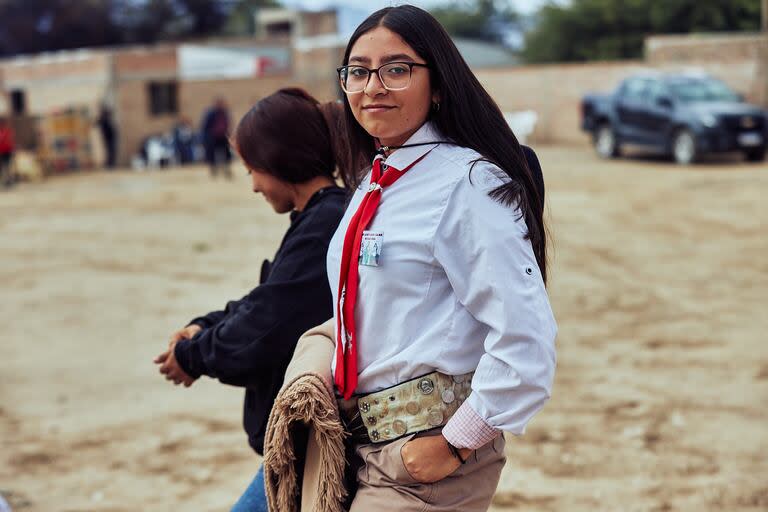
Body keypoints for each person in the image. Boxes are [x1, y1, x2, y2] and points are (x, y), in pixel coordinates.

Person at [326, 6, 557, 511]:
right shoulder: (378, 178)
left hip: (427, 454)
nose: (372, 86)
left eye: (397, 68)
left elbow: (526, 337)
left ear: (439, 85)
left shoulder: (467, 183)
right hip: (364, 446)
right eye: (358, 71)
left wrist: (454, 443)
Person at [153, 88, 347, 512]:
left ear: (279, 161)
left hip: (315, 445)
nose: (255, 186)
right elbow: (268, 299)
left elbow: (265, 329)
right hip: (302, 445)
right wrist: (204, 326)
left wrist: (193, 354)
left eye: (252, 171)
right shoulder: (318, 218)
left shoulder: (327, 222)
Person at [201, 97, 233, 179]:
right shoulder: (210, 113)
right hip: (213, 137)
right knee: (212, 154)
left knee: (226, 154)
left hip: (223, 136)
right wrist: (206, 137)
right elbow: (205, 126)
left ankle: (227, 171)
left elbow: (228, 124)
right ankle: (213, 171)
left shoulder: (225, 112)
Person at [96, 104, 117, 169]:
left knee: (111, 150)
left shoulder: (106, 119)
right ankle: (109, 164)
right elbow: (97, 123)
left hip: (110, 137)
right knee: (110, 150)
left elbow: (97, 123)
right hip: (108, 137)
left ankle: (110, 164)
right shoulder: (104, 119)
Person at [0, 116, 15, 188]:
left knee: (7, 166)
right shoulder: (5, 131)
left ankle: (8, 181)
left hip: (7, 151)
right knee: (3, 167)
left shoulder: (7, 131)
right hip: (2, 151)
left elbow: (9, 141)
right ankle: (5, 180)